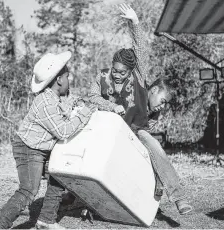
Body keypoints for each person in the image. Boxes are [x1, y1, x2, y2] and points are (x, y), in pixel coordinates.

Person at [89, 3, 193, 215]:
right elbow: (140, 50)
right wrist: (134, 22)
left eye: (164, 104)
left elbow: (140, 51)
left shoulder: (148, 101)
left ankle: (178, 197)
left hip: (136, 133)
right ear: (154, 90)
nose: (162, 106)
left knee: (154, 148)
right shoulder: (118, 78)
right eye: (162, 100)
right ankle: (82, 198)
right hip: (113, 131)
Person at [0, 51, 95, 229]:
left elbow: (67, 105)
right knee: (28, 190)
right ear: (59, 80)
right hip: (28, 148)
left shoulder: (55, 98)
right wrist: (85, 112)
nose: (69, 81)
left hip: (40, 148)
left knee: (58, 176)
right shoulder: (45, 103)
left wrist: (79, 104)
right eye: (67, 77)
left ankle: (46, 220)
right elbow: (63, 131)